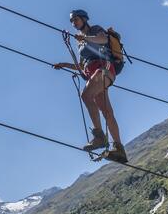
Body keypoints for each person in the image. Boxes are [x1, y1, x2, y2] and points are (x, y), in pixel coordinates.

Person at [54, 10, 127, 163]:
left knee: (86, 95)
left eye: (77, 19)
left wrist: (85, 38)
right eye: (72, 21)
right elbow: (81, 65)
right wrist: (64, 65)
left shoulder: (94, 30)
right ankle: (119, 149)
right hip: (95, 72)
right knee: (107, 112)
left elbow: (103, 39)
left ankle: (99, 136)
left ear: (84, 19)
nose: (74, 23)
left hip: (103, 69)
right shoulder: (80, 43)